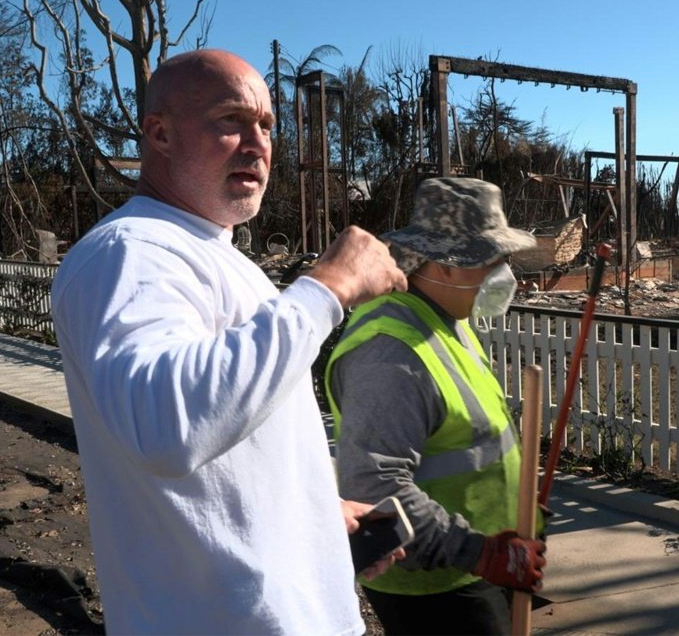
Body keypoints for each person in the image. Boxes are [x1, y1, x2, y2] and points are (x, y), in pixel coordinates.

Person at [50, 49, 406, 636]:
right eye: (230, 120)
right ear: (159, 134)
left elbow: (235, 437)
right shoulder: (131, 252)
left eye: (266, 125)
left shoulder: (213, 254)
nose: (258, 143)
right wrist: (329, 286)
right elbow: (168, 423)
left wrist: (317, 511)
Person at [326, 177, 548, 636]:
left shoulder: (443, 318)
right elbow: (374, 484)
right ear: (445, 265)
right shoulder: (391, 354)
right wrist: (481, 553)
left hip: (478, 567)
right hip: (437, 588)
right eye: (491, 260)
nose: (504, 273)